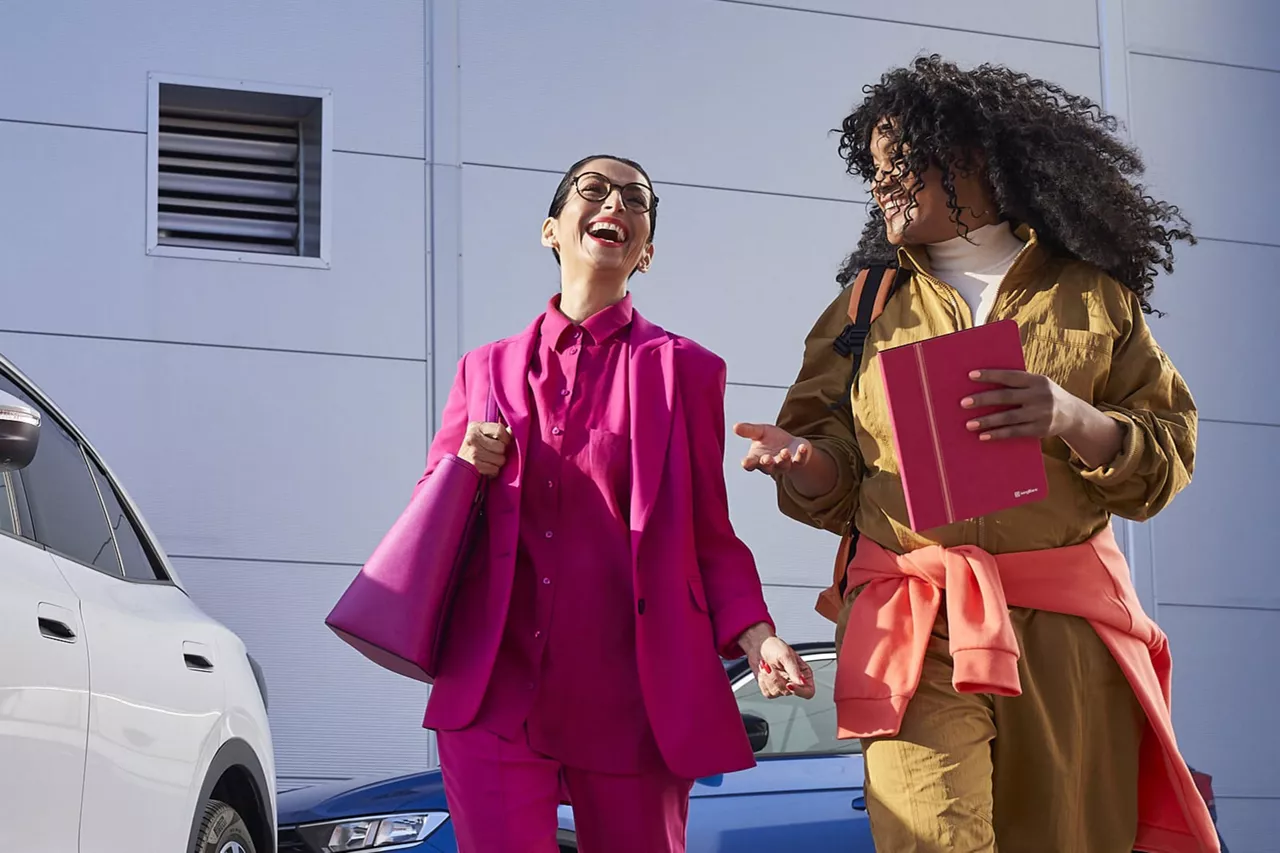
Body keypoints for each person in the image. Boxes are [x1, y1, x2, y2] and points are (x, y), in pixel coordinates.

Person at [735, 57, 1218, 852]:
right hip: (915, 626)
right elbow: (831, 465)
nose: (883, 183)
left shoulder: (1093, 296)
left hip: (1065, 637)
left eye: (904, 164)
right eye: (876, 169)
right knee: (932, 837)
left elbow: (1164, 458)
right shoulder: (864, 306)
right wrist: (803, 461)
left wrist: (1070, 416)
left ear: (975, 162)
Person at [419, 154, 815, 853]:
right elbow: (435, 514)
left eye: (637, 200)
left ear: (647, 251)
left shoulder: (686, 370)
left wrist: (759, 636)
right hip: (496, 689)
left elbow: (707, 534)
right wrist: (462, 465)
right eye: (594, 190)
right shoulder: (484, 369)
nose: (618, 204)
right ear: (552, 229)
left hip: (633, 696)